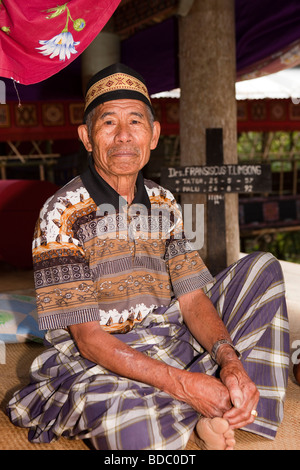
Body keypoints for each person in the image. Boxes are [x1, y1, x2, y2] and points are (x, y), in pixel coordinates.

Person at [7, 63, 290, 451]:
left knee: (262, 268)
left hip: (168, 337)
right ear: (87, 137)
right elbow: (89, 340)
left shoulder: (164, 202)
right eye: (108, 123)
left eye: (136, 121)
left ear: (153, 134)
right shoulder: (61, 212)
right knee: (129, 430)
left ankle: (223, 403)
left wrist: (229, 360)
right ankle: (201, 413)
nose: (123, 135)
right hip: (99, 358)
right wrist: (188, 384)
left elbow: (192, 298)